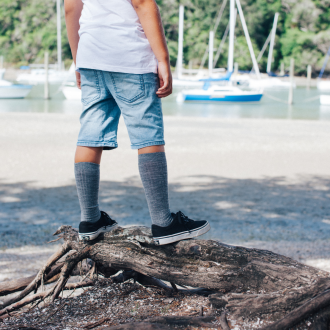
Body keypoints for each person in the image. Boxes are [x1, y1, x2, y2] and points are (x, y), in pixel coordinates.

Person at [64, 0, 210, 245]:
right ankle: (164, 223)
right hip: (128, 56)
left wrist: (78, 58)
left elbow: (71, 8)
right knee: (148, 136)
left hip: (90, 57)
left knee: (90, 135)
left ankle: (89, 220)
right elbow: (143, 3)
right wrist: (163, 59)